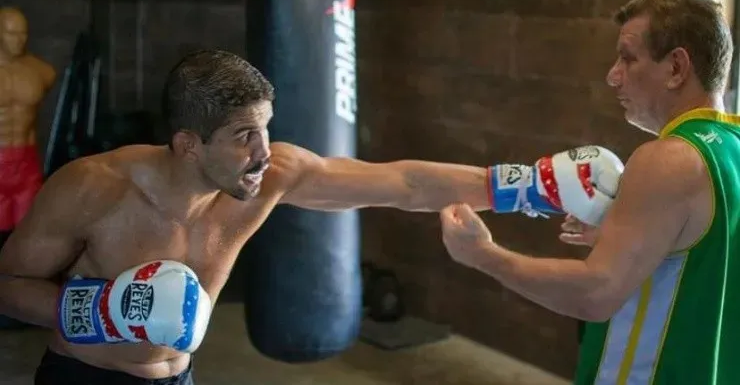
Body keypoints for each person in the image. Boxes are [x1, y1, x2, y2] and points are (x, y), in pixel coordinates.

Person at [0, 48, 621, 384]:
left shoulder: (267, 175)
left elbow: (401, 182)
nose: (263, 153)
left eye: (265, 130)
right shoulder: (94, 188)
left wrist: (522, 187)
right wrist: (98, 310)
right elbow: (8, 285)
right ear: (190, 144)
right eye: (244, 136)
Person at [439, 0, 737, 385]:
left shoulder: (669, 157)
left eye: (628, 59)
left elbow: (595, 294)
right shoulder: (730, 151)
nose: (613, 76)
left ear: (676, 68)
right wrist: (628, 238)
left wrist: (483, 254)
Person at [0, 6, 56, 244]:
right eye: (11, 33)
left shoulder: (40, 71)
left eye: (23, 33)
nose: (19, 40)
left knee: (27, 233)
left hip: (26, 161)